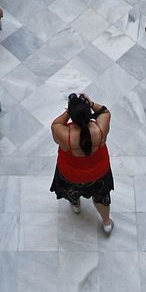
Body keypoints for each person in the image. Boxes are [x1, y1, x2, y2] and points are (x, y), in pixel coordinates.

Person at [50, 92, 115, 234]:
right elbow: (104, 111)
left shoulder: (63, 134)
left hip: (70, 175)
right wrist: (90, 103)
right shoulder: (100, 129)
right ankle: (106, 223)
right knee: (101, 198)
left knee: (72, 191)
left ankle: (76, 205)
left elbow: (56, 123)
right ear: (89, 114)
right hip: (99, 174)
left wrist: (70, 109)